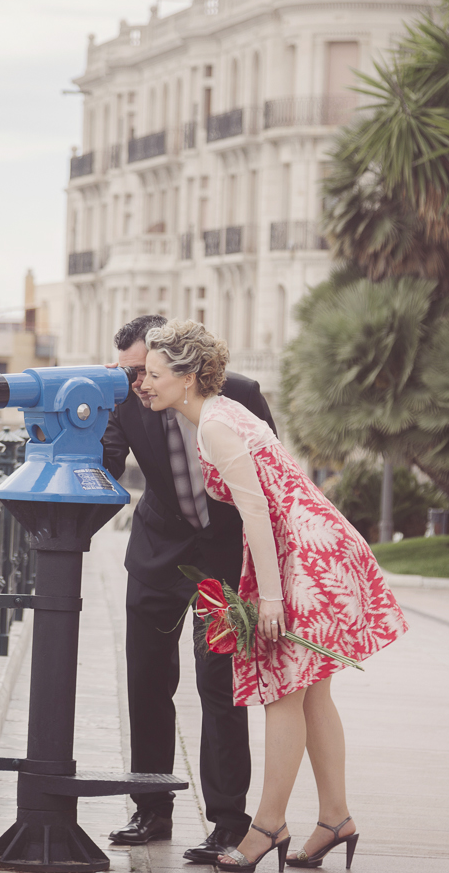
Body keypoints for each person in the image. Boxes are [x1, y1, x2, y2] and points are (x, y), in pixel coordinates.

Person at [137, 318, 406, 873]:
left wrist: (272, 597)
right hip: (316, 544)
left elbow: (257, 509)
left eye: (154, 373)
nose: (144, 382)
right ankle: (335, 819)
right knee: (310, 695)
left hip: (302, 555)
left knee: (284, 693)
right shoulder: (220, 413)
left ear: (187, 377)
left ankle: (267, 827)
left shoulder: (213, 424)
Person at [102, 314, 278, 864]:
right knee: (147, 682)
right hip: (158, 554)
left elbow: (269, 475)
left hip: (223, 559)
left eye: (144, 370)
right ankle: (150, 808)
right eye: (130, 372)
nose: (138, 383)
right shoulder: (124, 399)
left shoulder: (240, 394)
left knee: (219, 687)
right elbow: (104, 468)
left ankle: (229, 823)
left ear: (172, 362)